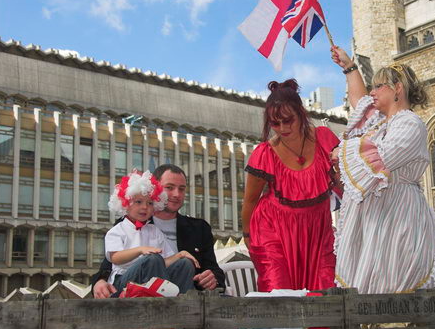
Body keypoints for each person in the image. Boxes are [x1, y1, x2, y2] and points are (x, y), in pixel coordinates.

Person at [330, 45, 435, 294]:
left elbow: (382, 158)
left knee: (392, 284)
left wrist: (343, 152)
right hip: (379, 216)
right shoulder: (381, 123)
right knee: (371, 287)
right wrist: (349, 67)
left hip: (397, 215)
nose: (373, 91)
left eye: (379, 86)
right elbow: (359, 102)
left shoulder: (410, 123)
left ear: (397, 88)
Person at [242, 79, 339, 292]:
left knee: (325, 294)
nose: (283, 128)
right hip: (272, 230)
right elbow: (250, 201)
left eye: (288, 120)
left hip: (317, 232)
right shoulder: (265, 153)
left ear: (301, 113)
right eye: (275, 123)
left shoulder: (324, 139)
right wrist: (248, 237)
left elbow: (344, 185)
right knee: (280, 294)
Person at [91, 164, 225, 298]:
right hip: (131, 284)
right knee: (152, 259)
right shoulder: (123, 224)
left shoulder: (199, 228)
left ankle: (184, 308)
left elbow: (213, 268)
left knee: (184, 262)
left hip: (181, 286)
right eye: (169, 188)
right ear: (156, 189)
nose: (177, 194)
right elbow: (110, 263)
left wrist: (213, 278)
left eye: (182, 189)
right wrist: (99, 281)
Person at [105, 170, 200, 294]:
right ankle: (164, 299)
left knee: (185, 263)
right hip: (123, 282)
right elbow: (115, 258)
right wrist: (140, 250)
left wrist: (179, 255)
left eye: (150, 203)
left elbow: (162, 264)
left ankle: (180, 301)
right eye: (138, 202)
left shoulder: (154, 230)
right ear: (125, 203)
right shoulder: (117, 230)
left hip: (153, 278)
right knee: (152, 259)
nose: (145, 207)